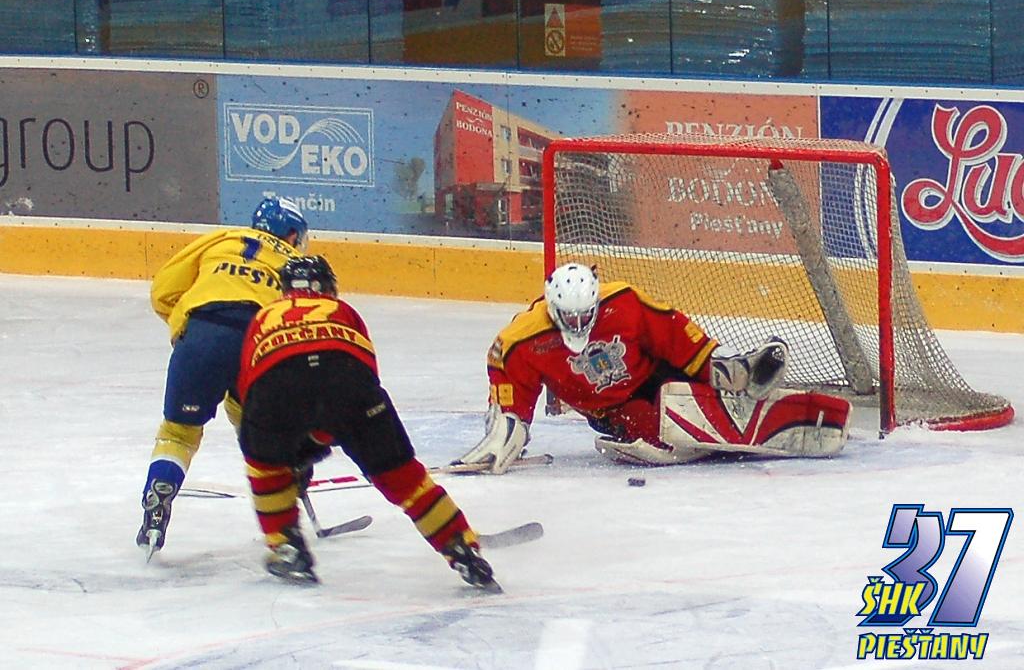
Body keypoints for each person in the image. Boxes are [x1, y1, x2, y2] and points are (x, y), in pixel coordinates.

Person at [236, 255, 498, 590]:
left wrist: (292, 449)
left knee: (266, 469)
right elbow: (361, 378)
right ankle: (461, 547)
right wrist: (332, 432)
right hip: (348, 383)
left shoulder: (263, 316)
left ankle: (286, 548)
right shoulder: (343, 310)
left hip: (275, 387)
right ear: (327, 287)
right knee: (403, 476)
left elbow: (250, 388)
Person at [455, 262, 850, 473]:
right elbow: (508, 385)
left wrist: (713, 363)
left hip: (655, 374)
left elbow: (672, 332)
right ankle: (708, 424)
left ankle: (737, 373)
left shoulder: (624, 301)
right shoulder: (521, 340)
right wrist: (507, 429)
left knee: (696, 383)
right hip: (612, 410)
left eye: (585, 315)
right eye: (569, 317)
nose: (578, 324)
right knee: (657, 420)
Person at [137, 196, 309, 559]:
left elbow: (163, 291)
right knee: (260, 433)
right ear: (293, 235)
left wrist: (188, 326)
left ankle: (160, 489)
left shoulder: (221, 239)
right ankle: (285, 513)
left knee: (178, 432)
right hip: (259, 341)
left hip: (202, 333)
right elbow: (308, 321)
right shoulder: (296, 264)